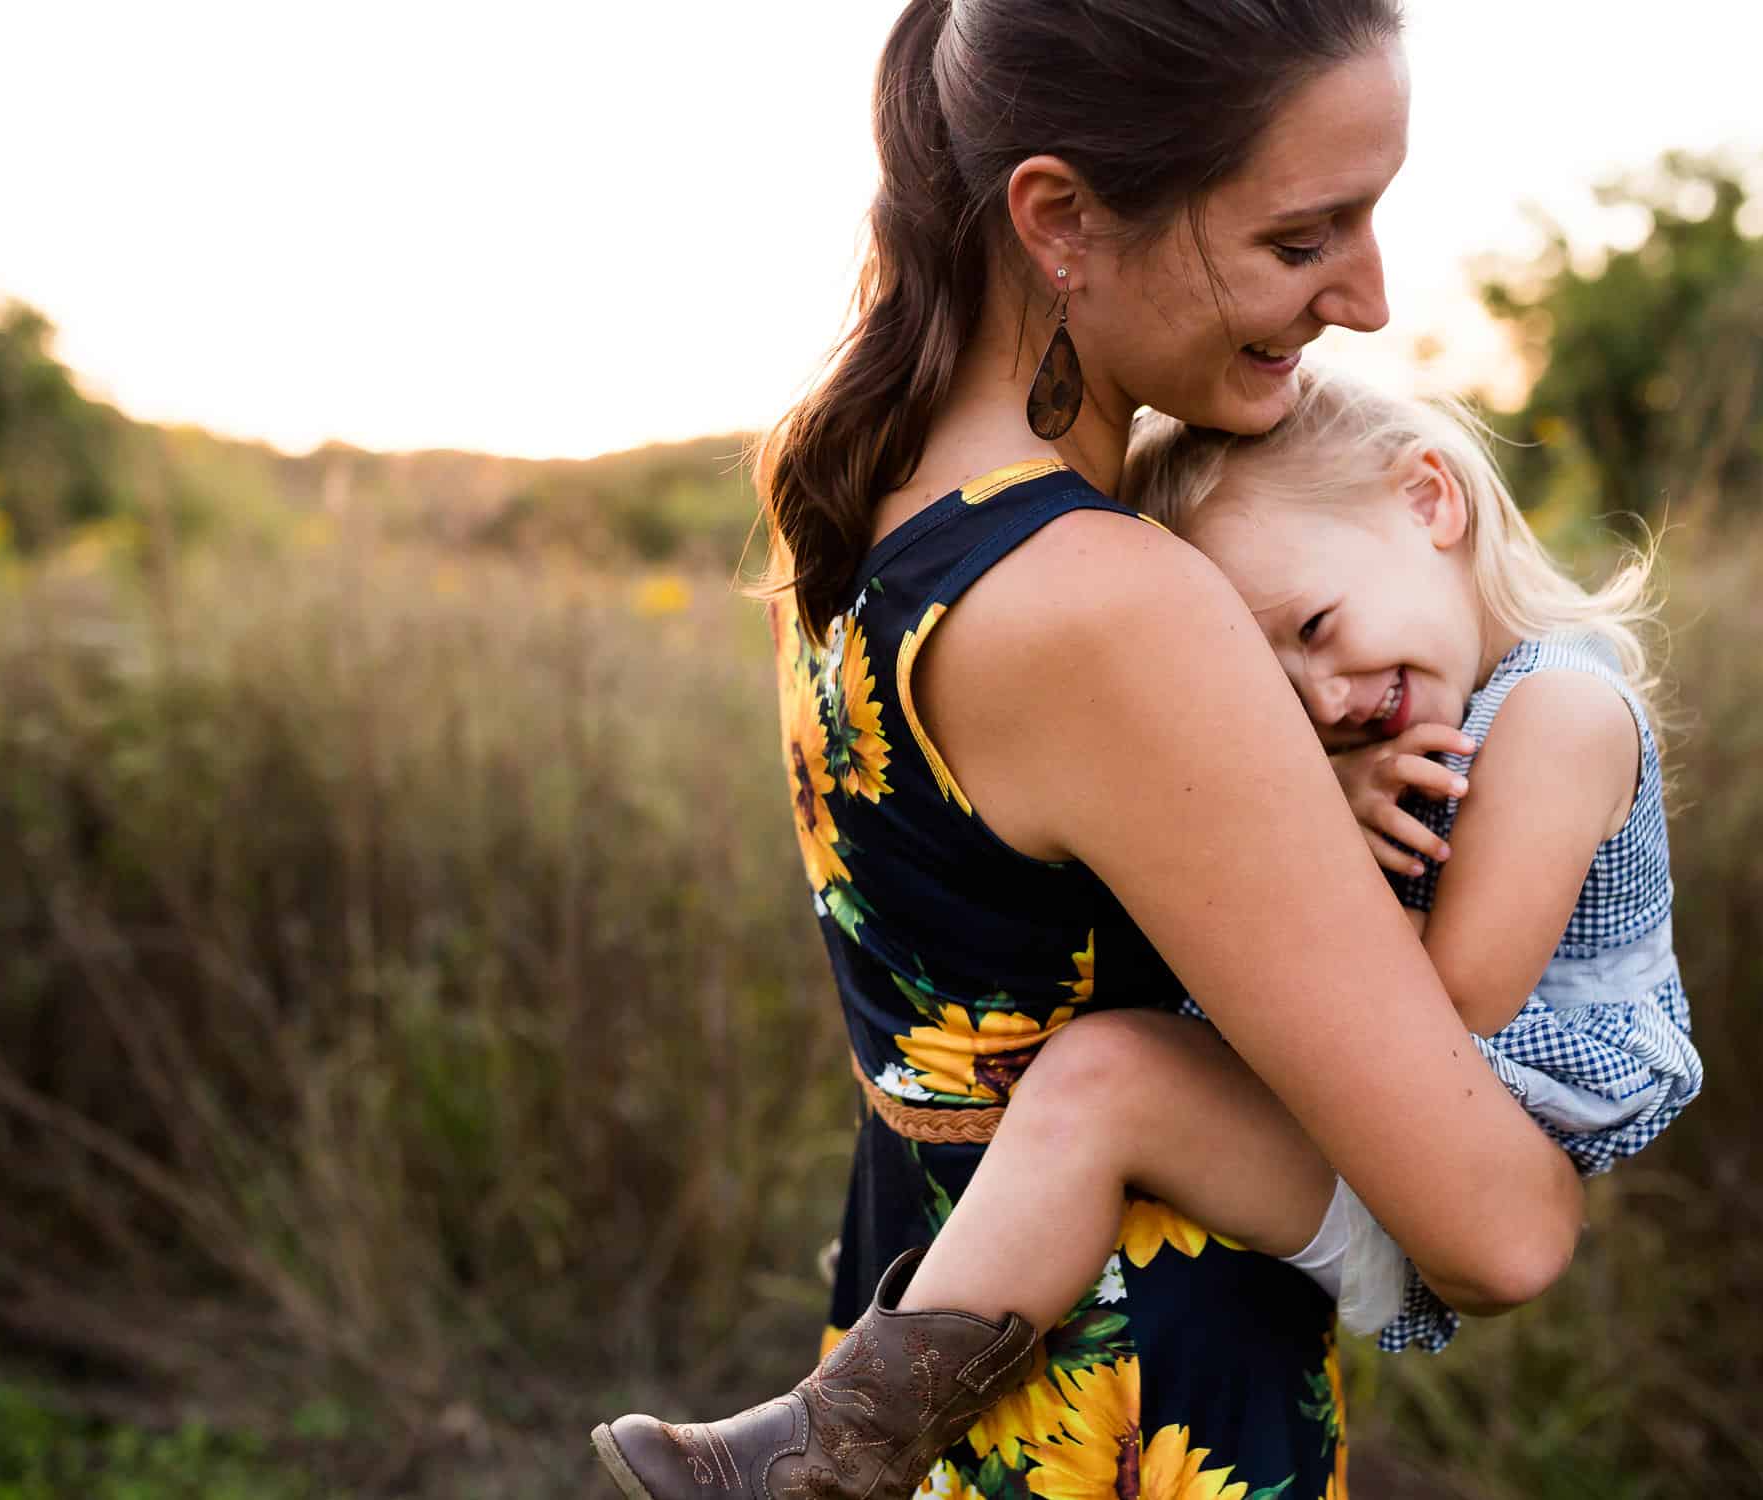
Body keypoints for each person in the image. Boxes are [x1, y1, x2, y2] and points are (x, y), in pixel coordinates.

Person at [593, 5, 1585, 1499]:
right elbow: (1497, 1234)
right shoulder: (1106, 602)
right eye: (1302, 235)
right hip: (1116, 1418)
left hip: (930, 1325)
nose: (1370, 298)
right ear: (1059, 218)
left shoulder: (880, 508)